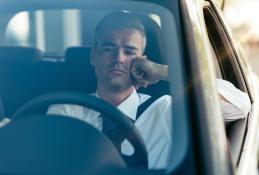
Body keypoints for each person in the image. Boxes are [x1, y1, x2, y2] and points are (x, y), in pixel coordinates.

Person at [47, 11, 251, 169]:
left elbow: (239, 106)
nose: (118, 58)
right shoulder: (67, 111)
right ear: (93, 56)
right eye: (109, 49)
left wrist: (162, 71)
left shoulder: (168, 110)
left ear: (142, 59)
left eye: (129, 51)